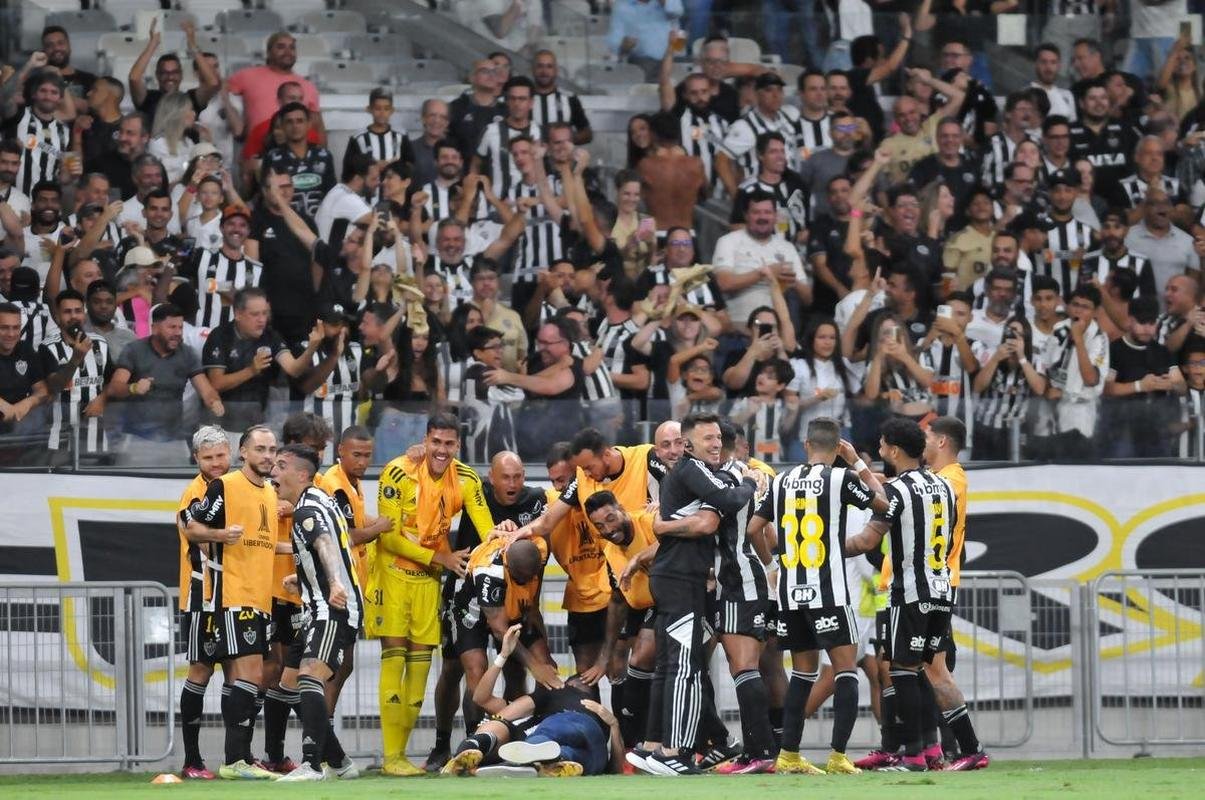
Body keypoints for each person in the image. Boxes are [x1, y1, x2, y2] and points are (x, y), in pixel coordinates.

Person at [750, 417, 886, 774]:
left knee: (803, 674)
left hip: (792, 594)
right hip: (829, 593)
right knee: (845, 671)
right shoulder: (841, 478)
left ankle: (789, 755)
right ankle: (839, 756)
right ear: (838, 446)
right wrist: (856, 462)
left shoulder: (781, 481)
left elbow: (754, 529)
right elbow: (884, 505)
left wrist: (772, 567)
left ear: (807, 445)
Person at [371, 412, 496, 776]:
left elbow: (485, 529)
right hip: (393, 577)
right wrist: (440, 556)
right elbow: (389, 536)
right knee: (394, 659)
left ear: (458, 445)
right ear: (426, 440)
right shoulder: (397, 472)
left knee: (420, 671)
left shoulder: (467, 478)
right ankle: (392, 756)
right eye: (436, 442)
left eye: (449, 444)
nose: (442, 450)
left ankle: (401, 756)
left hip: (428, 582)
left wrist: (501, 534)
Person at [641, 411, 764, 776]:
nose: (715, 444)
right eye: (707, 438)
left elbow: (710, 512)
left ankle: (653, 745)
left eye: (717, 438)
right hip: (680, 579)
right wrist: (751, 484)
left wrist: (664, 526)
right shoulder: (692, 470)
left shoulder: (696, 473)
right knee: (683, 668)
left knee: (669, 666)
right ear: (689, 444)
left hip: (679, 577)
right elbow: (723, 504)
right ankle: (673, 753)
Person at [844, 417, 957, 773]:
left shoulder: (897, 491)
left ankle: (912, 755)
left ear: (892, 450)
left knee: (901, 672)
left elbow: (866, 541)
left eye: (881, 445)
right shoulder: (943, 486)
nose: (880, 450)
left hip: (907, 590)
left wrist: (822, 549)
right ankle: (933, 751)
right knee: (926, 671)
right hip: (941, 587)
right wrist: (860, 466)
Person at [178, 425, 279, 780]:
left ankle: (239, 756)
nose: (217, 463)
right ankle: (195, 760)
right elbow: (193, 532)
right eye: (209, 458)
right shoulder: (199, 492)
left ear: (230, 453)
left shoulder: (256, 489)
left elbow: (257, 539)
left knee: (236, 674)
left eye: (221, 455)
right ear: (197, 459)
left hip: (235, 594)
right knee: (204, 671)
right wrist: (222, 536)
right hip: (202, 597)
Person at [267, 443, 363, 782]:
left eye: (280, 466)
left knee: (310, 676)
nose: (273, 473)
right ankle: (340, 763)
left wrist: (334, 582)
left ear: (301, 474)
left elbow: (323, 542)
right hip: (317, 606)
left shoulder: (307, 511)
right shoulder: (320, 500)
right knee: (288, 685)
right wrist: (304, 578)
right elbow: (336, 543)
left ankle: (311, 765)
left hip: (332, 609)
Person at [442, 625, 620, 778]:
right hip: (596, 751)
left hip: (568, 723)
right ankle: (555, 761)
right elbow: (615, 769)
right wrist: (614, 725)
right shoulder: (535, 711)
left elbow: (482, 700)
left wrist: (504, 656)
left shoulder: (554, 693)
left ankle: (526, 757)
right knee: (580, 759)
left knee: (544, 737)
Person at [920, 418, 991, 770]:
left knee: (936, 670)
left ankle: (965, 748)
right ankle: (934, 749)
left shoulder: (952, 481)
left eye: (928, 436)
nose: (924, 442)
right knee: (922, 668)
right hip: (927, 585)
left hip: (936, 585)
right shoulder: (937, 480)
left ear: (942, 441)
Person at [107, 303, 224, 465]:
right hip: (137, 440)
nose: (178, 333)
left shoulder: (188, 354)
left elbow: (206, 389)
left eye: (180, 327)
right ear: (154, 328)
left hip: (175, 441)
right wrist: (133, 388)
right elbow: (114, 388)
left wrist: (214, 401)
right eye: (172, 327)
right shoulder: (133, 350)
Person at [202, 288, 320, 439]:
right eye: (255, 314)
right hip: (220, 427)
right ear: (238, 314)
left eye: (265, 313)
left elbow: (293, 369)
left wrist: (311, 348)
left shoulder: (270, 336)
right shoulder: (220, 336)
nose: (262, 320)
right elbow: (216, 383)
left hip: (257, 426)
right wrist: (251, 370)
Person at [1102, 296, 1184, 457]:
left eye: (1152, 323)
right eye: (1142, 323)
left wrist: (1172, 385)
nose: (1147, 329)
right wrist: (1139, 386)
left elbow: (1182, 387)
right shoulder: (1115, 349)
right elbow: (1105, 389)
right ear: (1130, 320)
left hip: (1157, 430)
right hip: (1121, 429)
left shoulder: (1162, 351)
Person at [37, 289, 112, 458]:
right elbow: (55, 386)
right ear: (57, 317)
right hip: (59, 439)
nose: (74, 316)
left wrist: (102, 398)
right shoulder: (47, 347)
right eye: (67, 312)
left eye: (78, 311)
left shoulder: (100, 343)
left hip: (96, 437)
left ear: (84, 313)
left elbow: (112, 381)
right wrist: (76, 358)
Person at [1042, 284, 1109, 460]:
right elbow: (1047, 366)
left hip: (1082, 410)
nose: (1078, 311)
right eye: (1075, 304)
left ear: (1095, 312)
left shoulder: (1099, 338)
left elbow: (1090, 379)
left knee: (1078, 462)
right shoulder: (1059, 329)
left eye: (1085, 307)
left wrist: (1078, 340)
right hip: (1055, 406)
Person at [972, 315, 1047, 460]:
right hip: (986, 427)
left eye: (1018, 335)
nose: (1013, 338)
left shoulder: (1035, 359)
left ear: (1026, 338)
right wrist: (995, 359)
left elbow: (1040, 389)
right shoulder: (991, 354)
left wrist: (1022, 357)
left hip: (1016, 431)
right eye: (1010, 332)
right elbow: (977, 387)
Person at [188, 206, 262, 330]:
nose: (236, 229)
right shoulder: (202, 256)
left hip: (238, 341)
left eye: (242, 225)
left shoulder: (256, 270)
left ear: (248, 231)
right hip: (203, 336)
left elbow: (257, 308)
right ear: (221, 228)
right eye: (231, 224)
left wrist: (223, 288)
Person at [1, 70, 70, 198]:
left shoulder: (64, 131)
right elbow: (4, 97)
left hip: (42, 206)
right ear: (33, 94)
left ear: (60, 98)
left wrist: (71, 174)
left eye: (54, 92)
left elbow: (64, 177)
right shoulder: (18, 116)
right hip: (9, 200)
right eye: (43, 91)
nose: (47, 96)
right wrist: (30, 65)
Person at [262, 103, 336, 218]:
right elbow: (267, 196)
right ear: (282, 125)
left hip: (320, 222)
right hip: (286, 223)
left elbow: (332, 194)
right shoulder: (273, 157)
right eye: (289, 122)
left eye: (300, 121)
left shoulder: (324, 156)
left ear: (309, 124)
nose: (295, 126)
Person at [607, 0, 683, 80]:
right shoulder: (622, 6)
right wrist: (624, 46)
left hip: (674, 58)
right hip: (641, 61)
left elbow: (676, 11)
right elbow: (614, 42)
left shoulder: (669, 3)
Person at [531, 49, 592, 144]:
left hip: (561, 158)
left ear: (556, 70)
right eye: (540, 66)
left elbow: (586, 133)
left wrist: (563, 141)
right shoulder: (522, 99)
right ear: (533, 70)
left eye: (549, 66)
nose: (544, 71)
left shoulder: (570, 99)